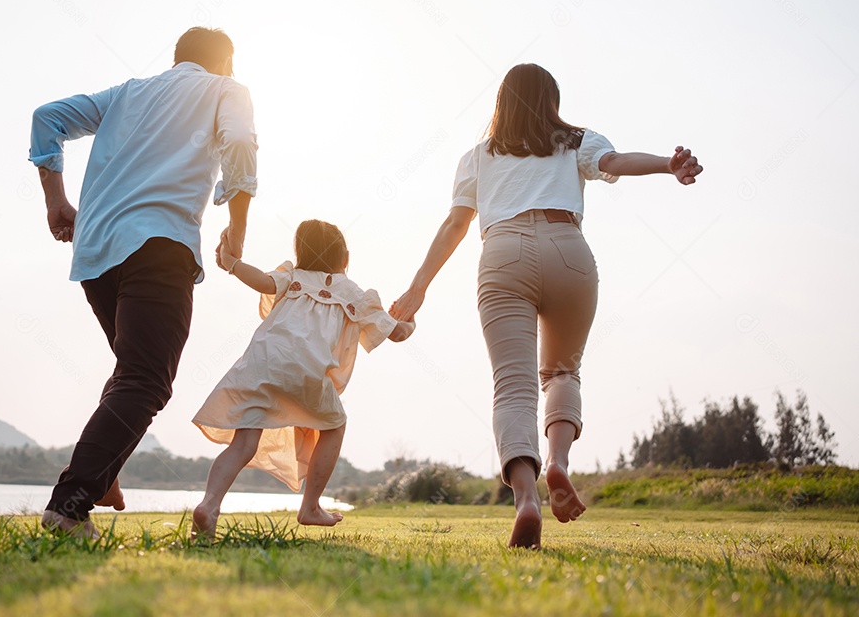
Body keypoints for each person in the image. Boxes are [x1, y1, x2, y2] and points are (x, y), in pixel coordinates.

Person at [389, 63, 703, 549]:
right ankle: (557, 461)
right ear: (551, 102)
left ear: (502, 102)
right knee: (561, 372)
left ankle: (526, 500)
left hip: (503, 253)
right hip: (567, 249)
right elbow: (616, 162)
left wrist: (417, 290)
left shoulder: (478, 157)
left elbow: (455, 225)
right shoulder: (576, 141)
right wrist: (669, 164)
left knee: (512, 387)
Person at [29, 27, 259, 537]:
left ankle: (103, 476)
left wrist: (55, 202)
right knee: (147, 379)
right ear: (225, 63)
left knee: (132, 371)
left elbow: (47, 117)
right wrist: (238, 227)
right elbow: (241, 141)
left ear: (178, 58)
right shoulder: (226, 89)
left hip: (94, 250)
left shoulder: (128, 93)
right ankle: (68, 507)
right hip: (158, 244)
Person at [191, 219, 416, 537]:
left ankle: (209, 504)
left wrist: (232, 263)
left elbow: (261, 281)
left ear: (300, 254)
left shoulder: (291, 277)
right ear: (345, 258)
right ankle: (310, 506)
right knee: (334, 426)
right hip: (308, 373)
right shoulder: (354, 294)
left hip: (262, 365)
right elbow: (398, 333)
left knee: (243, 443)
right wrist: (410, 320)